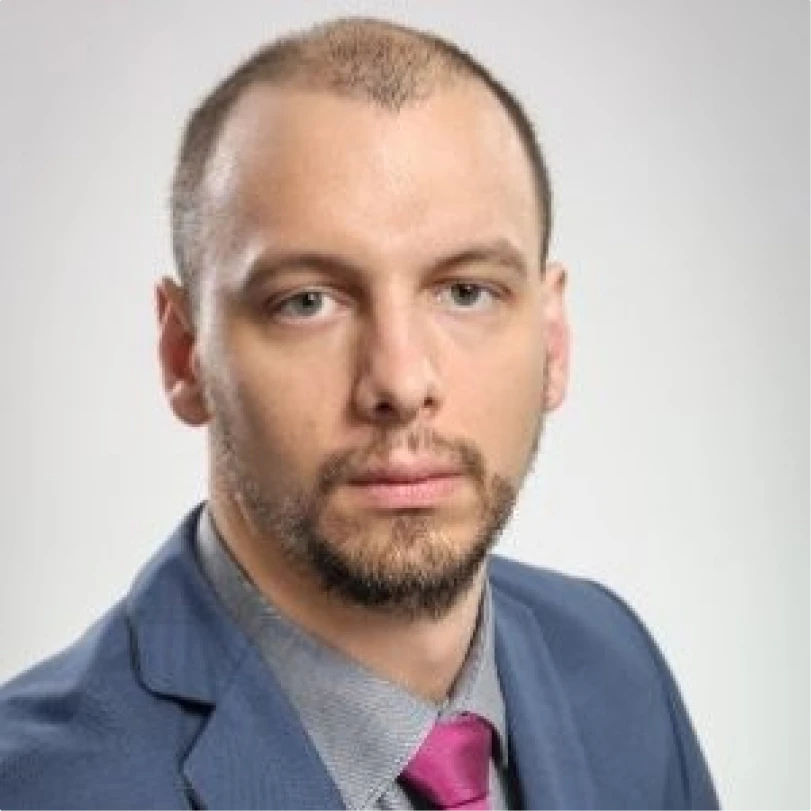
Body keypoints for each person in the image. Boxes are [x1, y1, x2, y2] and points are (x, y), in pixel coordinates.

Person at [0, 17, 719, 811]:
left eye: (465, 291)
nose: (400, 381)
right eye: (307, 301)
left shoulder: (616, 663)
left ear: (551, 338)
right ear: (184, 356)